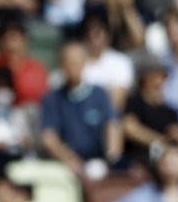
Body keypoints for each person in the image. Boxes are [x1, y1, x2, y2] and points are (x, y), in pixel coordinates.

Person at [40, 40, 123, 180]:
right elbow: (49, 137)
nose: (73, 67)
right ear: (61, 65)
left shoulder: (99, 94)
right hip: (69, 163)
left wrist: (111, 157)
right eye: (69, 62)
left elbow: (112, 125)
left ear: (85, 63)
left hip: (99, 161)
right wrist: (69, 158)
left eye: (77, 62)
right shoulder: (52, 98)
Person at [122, 54, 178, 166]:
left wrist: (177, 134)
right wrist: (161, 141)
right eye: (155, 76)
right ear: (143, 79)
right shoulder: (134, 103)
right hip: (137, 160)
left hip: (164, 162)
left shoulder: (169, 110)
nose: (159, 81)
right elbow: (130, 128)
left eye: (163, 76)